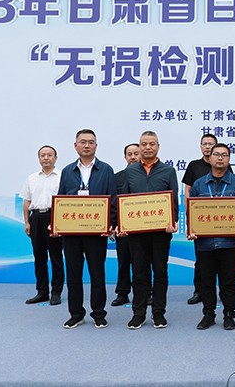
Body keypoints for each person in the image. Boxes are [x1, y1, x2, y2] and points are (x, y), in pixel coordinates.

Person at [56, 129, 117, 329]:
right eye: (83, 142)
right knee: (73, 274)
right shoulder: (67, 171)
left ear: (96, 146)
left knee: (97, 274)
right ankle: (76, 314)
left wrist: (111, 224)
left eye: (91, 142)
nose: (87, 145)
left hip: (96, 232)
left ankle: (99, 313)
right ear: (76, 146)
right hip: (72, 233)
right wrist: (57, 223)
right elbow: (61, 199)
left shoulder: (106, 170)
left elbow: (113, 198)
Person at [189, 143, 235, 330]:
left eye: (224, 155)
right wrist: (192, 228)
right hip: (204, 243)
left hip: (228, 242)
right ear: (209, 158)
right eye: (216, 154)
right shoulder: (199, 184)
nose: (219, 158)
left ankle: (229, 314)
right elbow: (192, 209)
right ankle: (208, 314)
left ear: (229, 159)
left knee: (228, 282)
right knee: (206, 281)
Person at [121, 131, 179, 330]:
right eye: (144, 144)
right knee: (138, 273)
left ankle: (158, 313)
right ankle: (138, 314)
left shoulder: (168, 171)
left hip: (161, 232)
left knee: (160, 272)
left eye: (151, 144)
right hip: (136, 233)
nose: (147, 147)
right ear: (139, 147)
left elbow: (174, 201)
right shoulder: (129, 172)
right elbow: (123, 200)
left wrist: (173, 221)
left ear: (158, 147)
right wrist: (122, 224)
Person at [182, 133, 232, 305]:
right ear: (201, 147)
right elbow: (188, 191)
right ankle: (199, 291)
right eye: (205, 144)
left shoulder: (225, 167)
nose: (208, 146)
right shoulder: (194, 166)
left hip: (221, 222)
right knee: (201, 259)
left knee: (223, 262)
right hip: (201, 220)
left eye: (211, 144)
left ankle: (224, 296)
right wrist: (190, 215)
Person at [19, 145, 64, 306]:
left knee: (56, 257)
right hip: (36, 218)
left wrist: (59, 223)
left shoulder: (62, 176)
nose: (46, 158)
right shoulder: (31, 178)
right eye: (42, 155)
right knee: (39, 257)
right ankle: (42, 292)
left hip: (54, 217)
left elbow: (66, 201)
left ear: (55, 158)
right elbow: (27, 201)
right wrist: (27, 222)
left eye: (49, 155)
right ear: (39, 158)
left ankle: (56, 292)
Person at [111, 143, 141, 307]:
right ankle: (122, 293)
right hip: (122, 228)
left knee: (143, 262)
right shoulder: (117, 177)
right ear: (125, 157)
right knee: (123, 261)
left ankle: (146, 293)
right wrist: (114, 225)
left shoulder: (147, 176)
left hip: (143, 228)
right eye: (130, 154)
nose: (133, 157)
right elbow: (112, 204)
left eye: (136, 153)